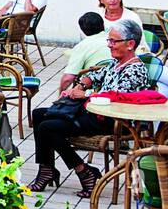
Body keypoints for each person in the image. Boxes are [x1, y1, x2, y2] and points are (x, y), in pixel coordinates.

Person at [28, 18, 151, 194]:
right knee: (39, 114)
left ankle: (83, 170)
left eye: (113, 41)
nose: (109, 45)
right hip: (93, 113)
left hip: (113, 120)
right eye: (109, 40)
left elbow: (115, 98)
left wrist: (84, 94)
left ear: (130, 44)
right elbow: (95, 76)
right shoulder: (116, 63)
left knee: (48, 128)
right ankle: (46, 169)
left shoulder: (134, 70)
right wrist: (80, 86)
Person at [59, 11, 110, 93]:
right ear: (103, 25)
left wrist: (60, 96)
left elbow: (68, 78)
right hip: (117, 86)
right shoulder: (115, 40)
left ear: (83, 30)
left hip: (89, 90)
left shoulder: (82, 46)